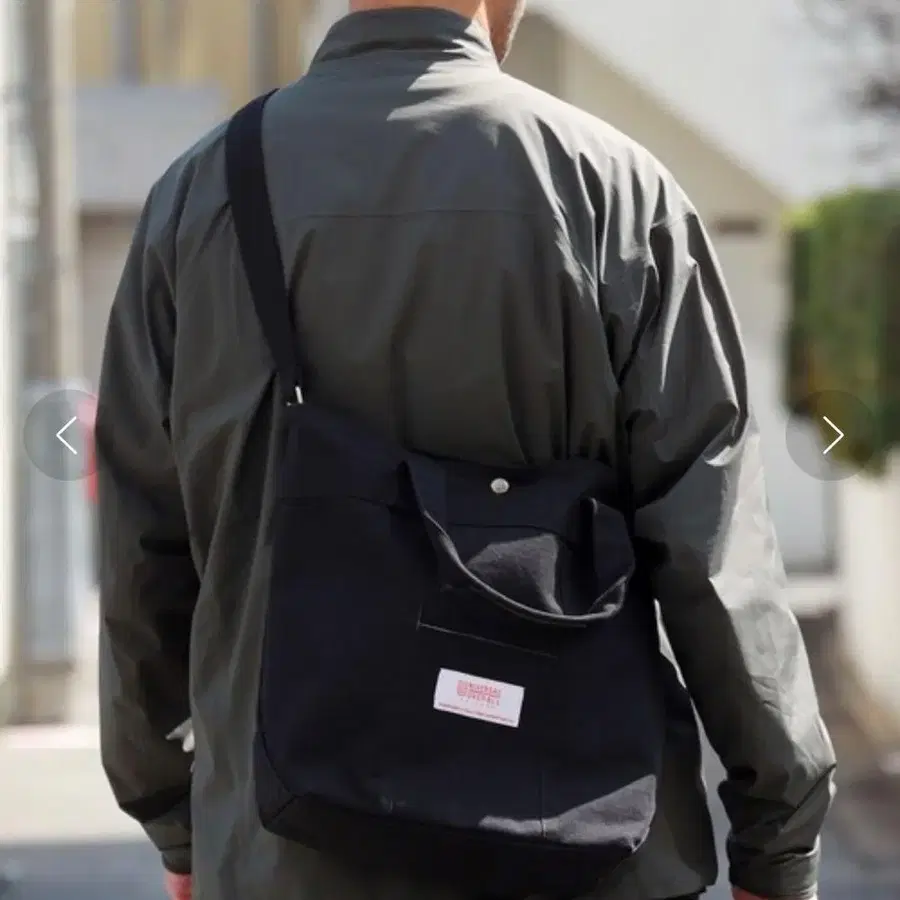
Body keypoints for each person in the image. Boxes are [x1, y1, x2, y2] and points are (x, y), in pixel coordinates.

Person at [94, 1, 837, 899]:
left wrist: (178, 820)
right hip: (585, 845)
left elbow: (143, 553)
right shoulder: (616, 191)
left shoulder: (202, 195)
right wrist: (778, 837)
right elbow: (714, 553)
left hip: (285, 845)